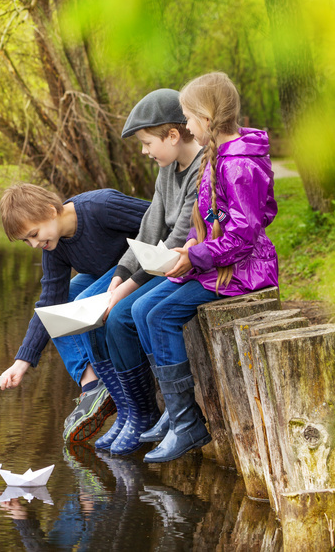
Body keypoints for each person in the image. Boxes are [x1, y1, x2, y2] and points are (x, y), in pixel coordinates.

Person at [133, 71, 279, 463]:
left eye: (188, 117)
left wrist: (196, 256)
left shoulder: (238, 165)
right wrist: (195, 244)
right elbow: (219, 219)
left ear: (207, 119)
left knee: (161, 315)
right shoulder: (218, 157)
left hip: (244, 271)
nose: (185, 125)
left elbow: (246, 233)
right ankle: (176, 413)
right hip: (216, 262)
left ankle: (187, 424)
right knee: (141, 309)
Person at [95, 88, 204, 456]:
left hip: (183, 262)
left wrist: (122, 292)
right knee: (113, 311)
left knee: (124, 314)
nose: (144, 151)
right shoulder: (166, 171)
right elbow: (149, 230)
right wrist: (118, 275)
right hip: (166, 262)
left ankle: (162, 414)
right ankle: (142, 412)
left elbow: (176, 240)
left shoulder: (203, 171)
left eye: (146, 142)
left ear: (173, 135)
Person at [0, 183, 149, 443]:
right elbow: (48, 303)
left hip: (140, 268)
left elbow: (159, 220)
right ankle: (94, 386)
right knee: (55, 308)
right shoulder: (54, 246)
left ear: (50, 210)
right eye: (27, 240)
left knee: (84, 299)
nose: (34, 244)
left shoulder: (101, 206)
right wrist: (22, 362)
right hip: (105, 275)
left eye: (34, 234)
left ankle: (123, 399)